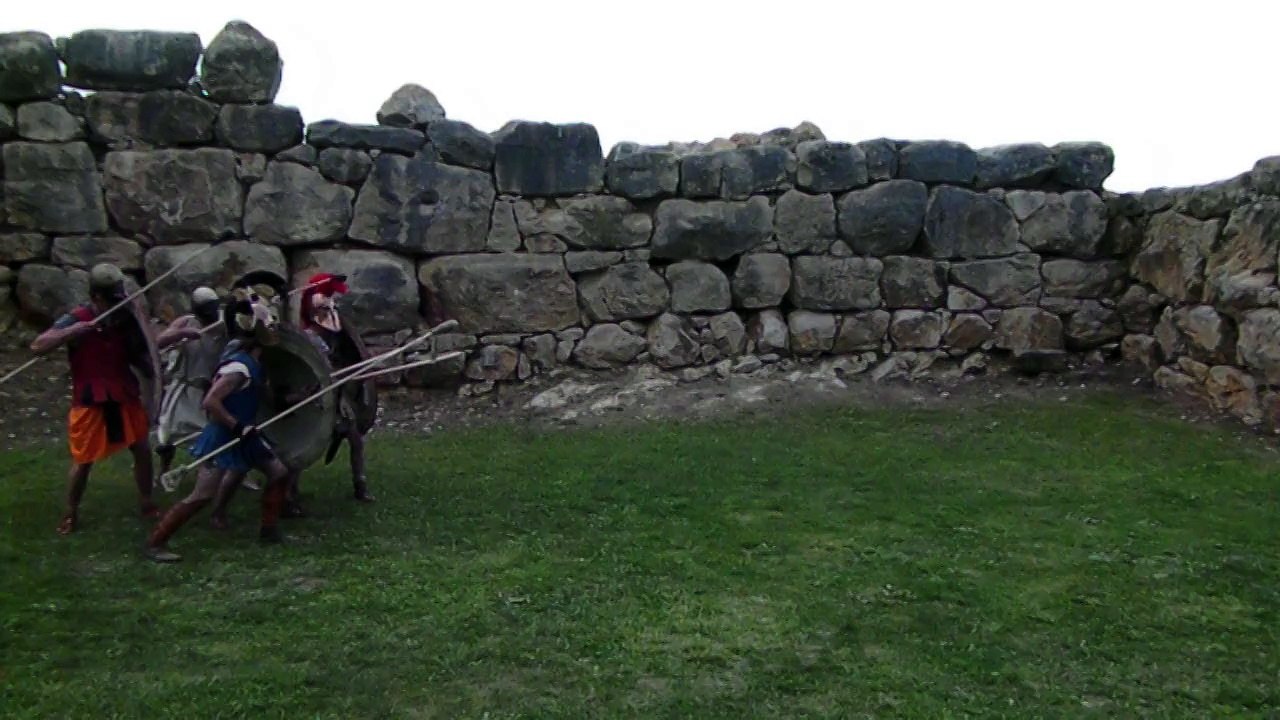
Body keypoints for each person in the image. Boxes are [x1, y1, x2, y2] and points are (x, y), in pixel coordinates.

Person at [145, 279, 292, 563]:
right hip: (226, 435)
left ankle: (269, 530)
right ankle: (156, 542)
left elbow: (264, 397)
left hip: (244, 435)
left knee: (278, 472)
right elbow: (210, 402)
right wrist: (237, 427)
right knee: (201, 495)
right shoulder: (238, 368)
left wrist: (299, 395)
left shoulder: (252, 363)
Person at [30, 263, 158, 534]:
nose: (117, 302)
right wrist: (73, 332)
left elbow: (148, 348)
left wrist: (141, 316)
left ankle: (147, 501)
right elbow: (39, 345)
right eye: (111, 297)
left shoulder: (124, 317)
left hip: (123, 391)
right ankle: (70, 512)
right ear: (97, 297)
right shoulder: (76, 317)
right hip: (91, 397)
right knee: (83, 459)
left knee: (142, 448)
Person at [293, 273, 375, 508]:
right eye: (327, 295)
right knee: (306, 441)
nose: (330, 302)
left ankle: (360, 485)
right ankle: (290, 491)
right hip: (319, 390)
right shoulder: (310, 335)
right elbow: (314, 363)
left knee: (355, 440)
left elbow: (348, 348)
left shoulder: (335, 319)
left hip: (341, 392)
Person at [153, 287, 227, 479]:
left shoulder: (224, 322)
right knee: (167, 438)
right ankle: (163, 470)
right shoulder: (186, 322)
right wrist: (182, 333)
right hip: (184, 389)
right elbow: (159, 341)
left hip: (210, 390)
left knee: (212, 435)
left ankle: (219, 474)